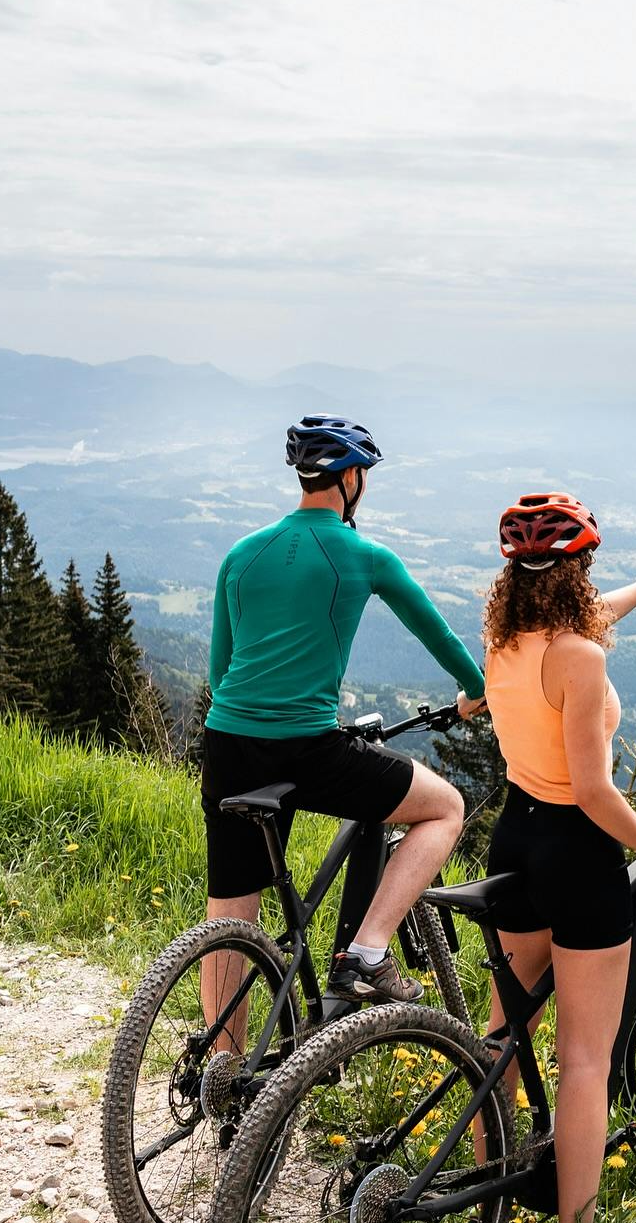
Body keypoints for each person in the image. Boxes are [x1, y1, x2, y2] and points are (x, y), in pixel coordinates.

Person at [480, 491, 636, 1223]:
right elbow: (595, 793)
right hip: (576, 852)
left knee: (503, 1041)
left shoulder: (505, 641)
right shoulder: (580, 659)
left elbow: (586, 623)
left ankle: (486, 1219)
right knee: (582, 1063)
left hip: (515, 840)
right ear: (575, 569)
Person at [200, 414, 486, 1026]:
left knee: (230, 915)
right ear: (350, 478)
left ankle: (222, 1068)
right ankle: (366, 952)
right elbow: (436, 633)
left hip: (226, 741)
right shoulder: (365, 555)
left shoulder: (241, 554)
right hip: (305, 747)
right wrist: (475, 690)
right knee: (445, 808)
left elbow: (220, 670)